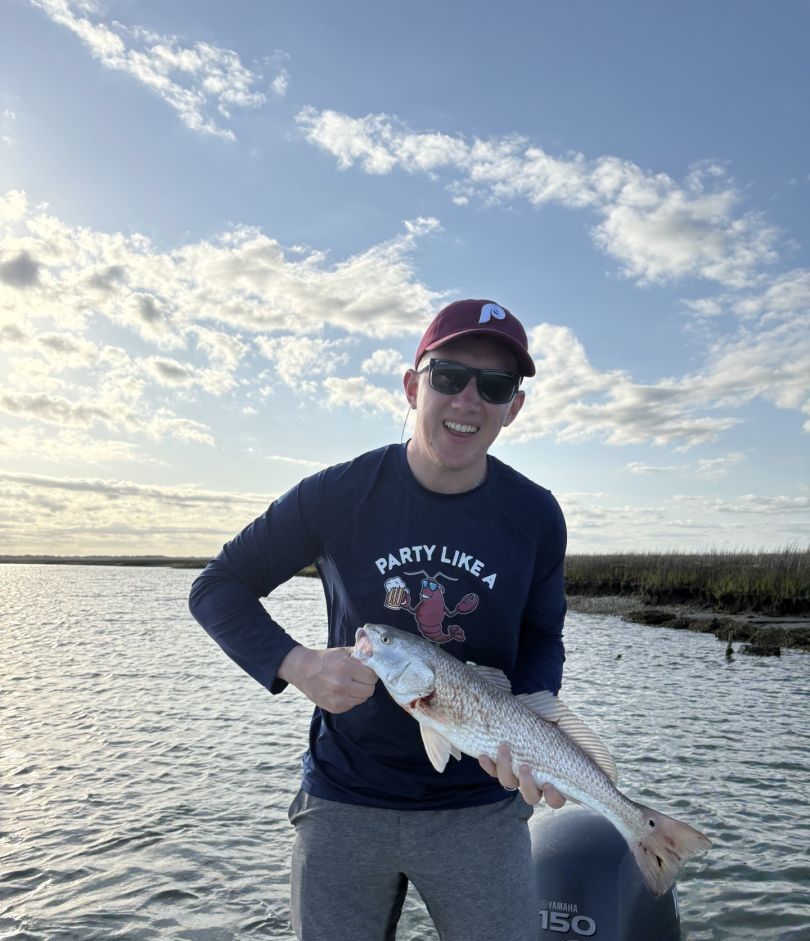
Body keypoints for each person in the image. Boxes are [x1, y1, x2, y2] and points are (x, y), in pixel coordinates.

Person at [189, 298, 567, 941]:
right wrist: (298, 664)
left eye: (495, 385)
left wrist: (531, 728)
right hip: (343, 801)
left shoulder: (535, 513)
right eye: (448, 375)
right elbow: (218, 587)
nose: (467, 400)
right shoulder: (338, 494)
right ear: (413, 385)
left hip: (480, 805)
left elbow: (540, 635)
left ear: (514, 407)